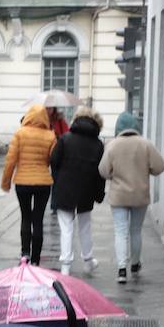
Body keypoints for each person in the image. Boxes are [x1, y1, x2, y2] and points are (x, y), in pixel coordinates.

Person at [99, 111, 164, 284]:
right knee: (136, 230)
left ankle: (122, 269)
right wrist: (146, 170)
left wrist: (114, 175)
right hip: (139, 195)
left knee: (120, 231)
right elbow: (160, 166)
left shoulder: (113, 145)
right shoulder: (145, 144)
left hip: (119, 195)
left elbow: (103, 170)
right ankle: (135, 264)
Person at [49, 107, 107, 275]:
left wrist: (58, 180)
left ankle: (66, 265)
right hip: (86, 190)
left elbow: (54, 161)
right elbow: (100, 173)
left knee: (66, 227)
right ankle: (88, 260)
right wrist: (99, 194)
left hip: (64, 188)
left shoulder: (65, 139)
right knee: (85, 225)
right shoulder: (98, 144)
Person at [0, 104, 57, 265]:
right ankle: (36, 259)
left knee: (25, 217)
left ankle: (25, 254)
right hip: (43, 183)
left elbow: (10, 160)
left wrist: (6, 183)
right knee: (38, 219)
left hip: (22, 181)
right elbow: (52, 160)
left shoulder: (20, 133)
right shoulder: (50, 136)